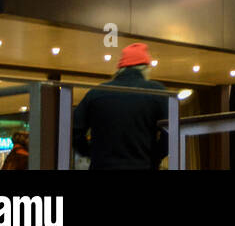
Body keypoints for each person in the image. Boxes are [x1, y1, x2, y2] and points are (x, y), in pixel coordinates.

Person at [72, 42, 169, 170]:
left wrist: (90, 152)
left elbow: (74, 128)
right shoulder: (156, 91)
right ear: (145, 68)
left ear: (120, 69)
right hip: (141, 165)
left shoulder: (96, 92)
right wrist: (154, 158)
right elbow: (171, 132)